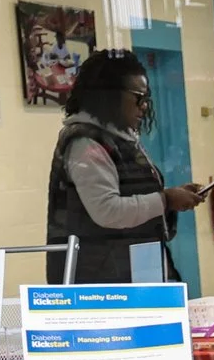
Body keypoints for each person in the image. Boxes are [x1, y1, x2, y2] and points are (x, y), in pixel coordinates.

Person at [44, 49, 204, 282]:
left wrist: (171, 199)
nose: (145, 106)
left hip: (136, 263)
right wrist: (166, 199)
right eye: (138, 98)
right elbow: (107, 211)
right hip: (99, 278)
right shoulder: (85, 143)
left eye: (146, 98)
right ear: (109, 96)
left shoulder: (120, 138)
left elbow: (136, 197)